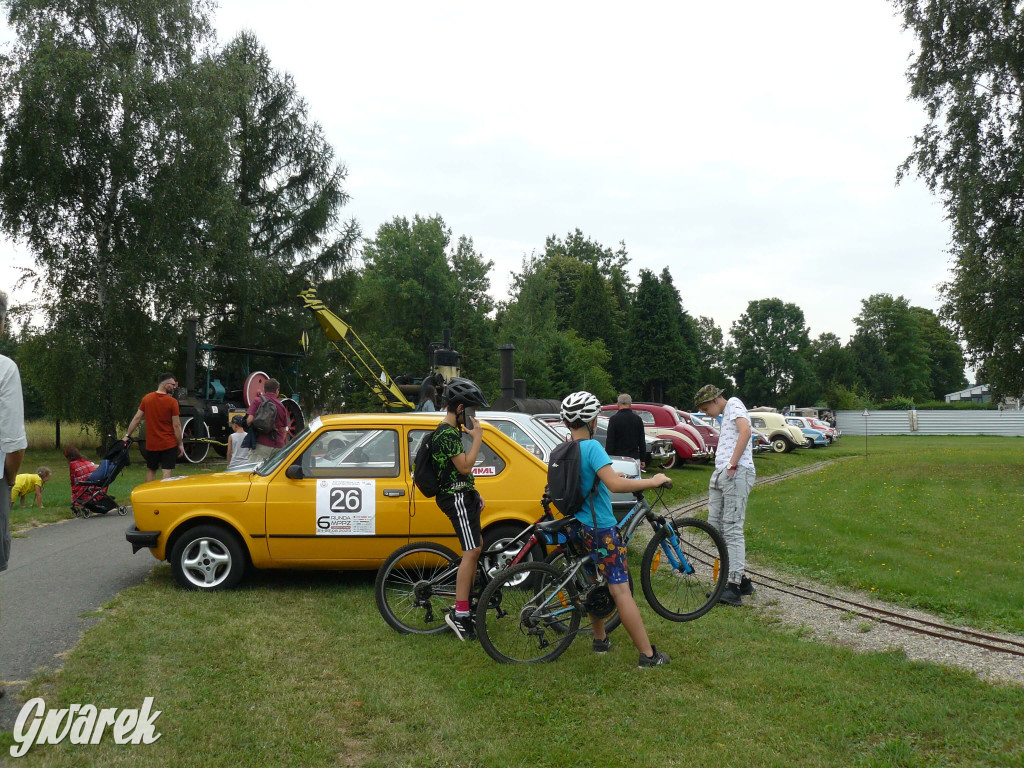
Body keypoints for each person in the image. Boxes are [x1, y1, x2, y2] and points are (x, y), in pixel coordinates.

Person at [559, 391, 672, 667]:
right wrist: (653, 481)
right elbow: (615, 486)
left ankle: (600, 640)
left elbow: (590, 479)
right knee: (620, 590)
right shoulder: (592, 447)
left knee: (593, 584)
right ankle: (648, 655)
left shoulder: (566, 447)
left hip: (578, 526)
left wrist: (612, 473)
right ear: (591, 421)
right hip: (600, 529)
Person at [430, 377, 490, 640]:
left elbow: (457, 473)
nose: (473, 417)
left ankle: (467, 603)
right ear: (459, 408)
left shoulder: (452, 432)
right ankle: (460, 613)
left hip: (462, 495)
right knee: (472, 550)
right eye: (472, 410)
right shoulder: (445, 433)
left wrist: (474, 492)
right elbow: (464, 466)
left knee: (476, 547)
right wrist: (478, 438)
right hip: (453, 499)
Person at [694, 384, 756, 606]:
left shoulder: (734, 404)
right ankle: (740, 580)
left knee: (731, 528)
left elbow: (746, 431)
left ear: (714, 400)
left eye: (704, 408)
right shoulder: (726, 412)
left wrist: (732, 463)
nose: (704, 413)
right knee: (715, 527)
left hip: (736, 473)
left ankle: (733, 587)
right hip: (723, 472)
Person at [123, 372, 185, 482]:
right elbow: (177, 425)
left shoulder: (147, 399)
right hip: (168, 443)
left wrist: (127, 435)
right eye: (173, 384)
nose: (175, 387)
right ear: (166, 385)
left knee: (151, 470)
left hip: (152, 444)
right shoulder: (172, 402)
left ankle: (148, 496)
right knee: (167, 471)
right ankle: (163, 497)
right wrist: (180, 443)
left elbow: (137, 418)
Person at [246, 378, 289, 463]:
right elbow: (284, 429)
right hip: (278, 445)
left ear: (264, 389)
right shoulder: (281, 406)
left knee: (253, 472)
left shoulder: (257, 401)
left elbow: (249, 420)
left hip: (261, 444)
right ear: (277, 390)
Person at [604, 393, 646, 468]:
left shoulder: (613, 419)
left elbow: (610, 441)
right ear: (630, 404)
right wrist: (642, 459)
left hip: (618, 458)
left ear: (618, 404)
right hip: (634, 458)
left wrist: (608, 458)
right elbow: (642, 441)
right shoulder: (638, 419)